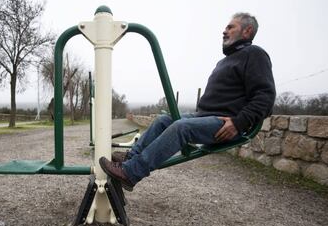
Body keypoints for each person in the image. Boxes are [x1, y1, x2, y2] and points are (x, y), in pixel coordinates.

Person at [99, 12, 276, 191]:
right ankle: (131, 157)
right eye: (225, 27)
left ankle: (131, 173)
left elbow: (265, 97)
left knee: (181, 127)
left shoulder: (254, 54)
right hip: (205, 116)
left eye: (231, 27)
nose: (224, 31)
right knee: (164, 120)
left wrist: (239, 122)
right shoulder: (224, 62)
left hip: (226, 124)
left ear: (247, 31)